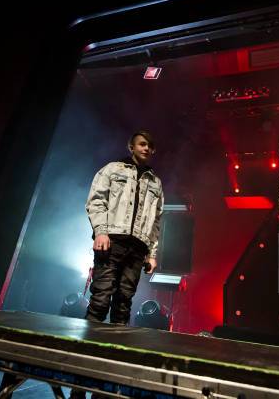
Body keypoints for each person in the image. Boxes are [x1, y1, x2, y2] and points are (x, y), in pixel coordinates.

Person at [70, 131, 164, 399]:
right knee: (99, 303)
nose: (147, 148)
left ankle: (107, 386)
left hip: (138, 248)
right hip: (112, 241)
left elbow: (157, 221)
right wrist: (100, 231)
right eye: (143, 143)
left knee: (123, 308)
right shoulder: (112, 169)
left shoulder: (156, 181)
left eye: (151, 145)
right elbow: (96, 200)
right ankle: (79, 383)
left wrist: (152, 252)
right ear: (131, 146)